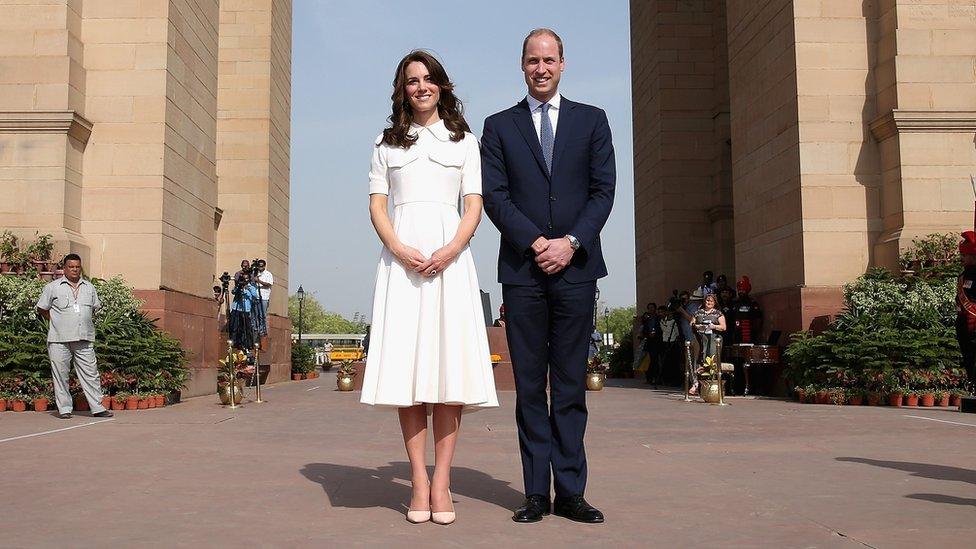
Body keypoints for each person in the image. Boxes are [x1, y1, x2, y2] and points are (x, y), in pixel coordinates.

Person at [360, 50, 498, 526]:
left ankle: (443, 482)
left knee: (447, 375)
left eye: (427, 79)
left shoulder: (464, 141)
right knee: (411, 374)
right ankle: (419, 479)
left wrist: (450, 250)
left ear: (442, 85)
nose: (420, 87)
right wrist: (398, 247)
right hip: (401, 267)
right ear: (402, 89)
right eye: (411, 80)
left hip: (450, 264)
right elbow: (378, 207)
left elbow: (474, 206)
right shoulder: (385, 142)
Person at [482, 28, 615, 524]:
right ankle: (536, 492)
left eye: (549, 59)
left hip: (577, 270)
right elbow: (495, 196)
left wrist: (571, 243)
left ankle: (573, 492)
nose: (541, 68)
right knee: (530, 386)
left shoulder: (593, 121)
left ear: (563, 64)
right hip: (522, 272)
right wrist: (537, 243)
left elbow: (604, 191)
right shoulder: (498, 127)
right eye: (533, 60)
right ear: (522, 65)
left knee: (570, 385)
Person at [35, 254, 113, 419]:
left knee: (91, 373)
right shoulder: (53, 287)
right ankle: (64, 409)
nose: (74, 270)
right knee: (61, 374)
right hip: (58, 339)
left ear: (80, 268)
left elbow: (93, 308)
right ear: (64, 268)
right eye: (71, 267)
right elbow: (42, 308)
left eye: (77, 267)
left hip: (84, 338)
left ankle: (97, 407)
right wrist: (55, 320)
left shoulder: (89, 288)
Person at [690, 293, 726, 395]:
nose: (709, 302)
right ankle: (696, 384)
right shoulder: (698, 312)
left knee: (711, 359)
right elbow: (692, 323)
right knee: (697, 359)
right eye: (707, 300)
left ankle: (711, 384)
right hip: (700, 338)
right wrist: (697, 326)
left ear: (714, 302)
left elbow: (723, 327)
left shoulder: (718, 314)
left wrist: (714, 326)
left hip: (713, 339)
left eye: (711, 301)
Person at [956, 232, 976, 383]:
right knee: (968, 356)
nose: (961, 258)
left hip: (974, 322)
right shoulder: (962, 275)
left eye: (964, 254)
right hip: (963, 321)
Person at [229, 271, 258, 351]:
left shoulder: (251, 287)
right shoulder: (238, 286)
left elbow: (255, 295)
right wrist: (239, 286)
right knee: (234, 326)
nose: (245, 280)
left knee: (246, 327)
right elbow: (233, 292)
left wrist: (248, 288)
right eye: (243, 279)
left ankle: (247, 344)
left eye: (246, 279)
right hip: (236, 308)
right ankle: (233, 342)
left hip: (246, 309)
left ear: (249, 279)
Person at [731, 276, 762, 344]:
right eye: (739, 290)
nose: (741, 292)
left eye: (743, 290)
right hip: (737, 332)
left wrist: (755, 329)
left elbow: (758, 318)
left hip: (750, 332)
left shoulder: (753, 303)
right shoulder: (734, 303)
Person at [253, 259, 273, 340]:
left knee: (262, 315)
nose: (260, 268)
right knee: (256, 314)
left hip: (264, 297)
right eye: (259, 266)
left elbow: (269, 284)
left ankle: (262, 329)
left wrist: (259, 281)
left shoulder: (268, 274)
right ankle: (256, 328)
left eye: (261, 266)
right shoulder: (256, 274)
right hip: (256, 296)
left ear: (264, 266)